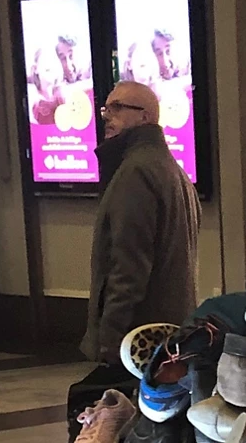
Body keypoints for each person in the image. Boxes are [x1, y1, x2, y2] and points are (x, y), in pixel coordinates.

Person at [74, 79, 198, 403]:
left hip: (139, 341)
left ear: (145, 117)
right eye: (106, 108)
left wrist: (110, 343)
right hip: (167, 333)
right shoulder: (173, 171)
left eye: (118, 108)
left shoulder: (135, 173)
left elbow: (127, 270)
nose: (106, 117)